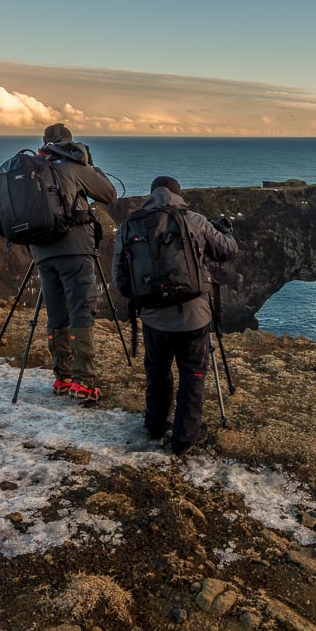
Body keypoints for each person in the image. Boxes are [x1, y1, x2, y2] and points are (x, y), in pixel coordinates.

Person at [112, 176, 237, 456]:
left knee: (157, 372)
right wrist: (225, 231)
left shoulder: (129, 226)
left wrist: (147, 300)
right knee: (192, 374)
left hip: (153, 319)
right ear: (177, 195)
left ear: (152, 194)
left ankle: (155, 425)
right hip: (194, 317)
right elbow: (227, 251)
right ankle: (184, 438)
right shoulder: (195, 220)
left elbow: (120, 281)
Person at [31, 123, 117, 401]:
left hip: (43, 251)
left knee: (56, 313)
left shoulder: (31, 168)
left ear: (44, 142)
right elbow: (109, 194)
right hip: (75, 250)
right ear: (69, 142)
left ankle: (62, 378)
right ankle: (84, 381)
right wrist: (91, 167)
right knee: (80, 311)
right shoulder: (73, 166)